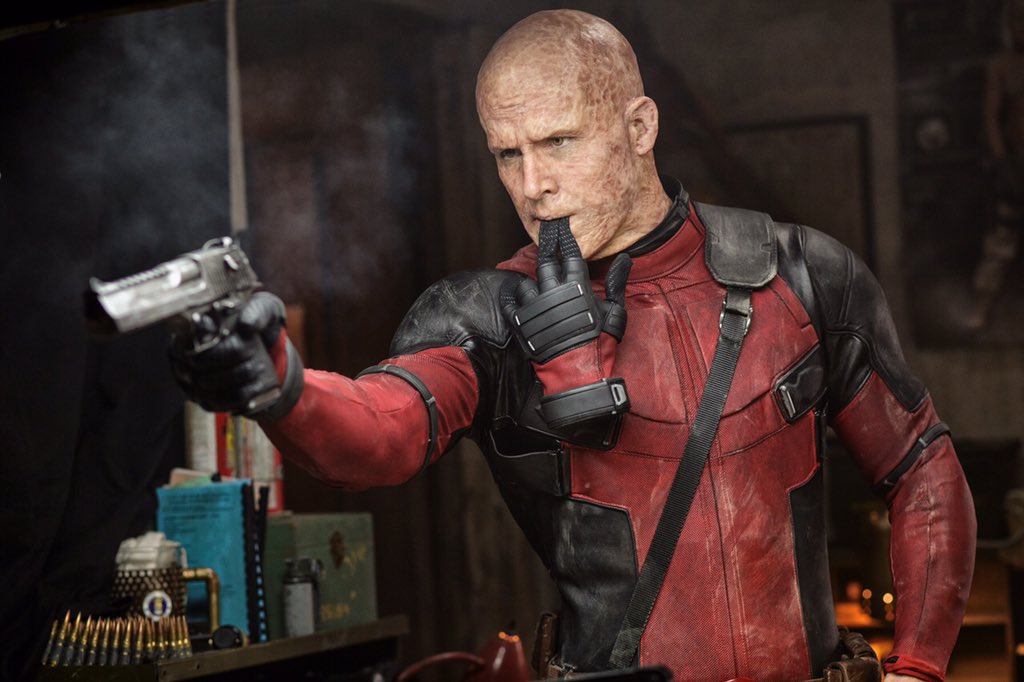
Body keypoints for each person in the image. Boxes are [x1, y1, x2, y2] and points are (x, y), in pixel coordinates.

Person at [172, 10, 975, 682]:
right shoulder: (485, 315)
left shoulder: (804, 274)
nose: (533, 186)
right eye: (507, 153)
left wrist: (918, 668)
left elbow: (921, 466)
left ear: (640, 126)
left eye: (558, 142)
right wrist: (277, 381)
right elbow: (378, 432)